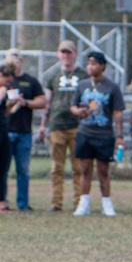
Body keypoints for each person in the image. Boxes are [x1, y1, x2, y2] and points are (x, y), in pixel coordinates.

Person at [72, 51, 124, 217]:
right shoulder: (82, 85)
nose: (90, 67)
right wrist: (78, 111)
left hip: (104, 134)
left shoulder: (112, 87)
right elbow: (72, 106)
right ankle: (83, 203)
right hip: (85, 132)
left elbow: (117, 113)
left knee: (103, 170)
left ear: (102, 66)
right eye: (88, 63)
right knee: (85, 169)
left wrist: (120, 135)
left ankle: (106, 203)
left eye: (93, 64)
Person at [38, 40, 86, 212]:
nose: (66, 56)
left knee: (78, 167)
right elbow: (48, 103)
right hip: (57, 125)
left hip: (77, 126)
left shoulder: (83, 75)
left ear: (74, 54)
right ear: (58, 54)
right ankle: (56, 202)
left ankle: (79, 201)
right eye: (63, 52)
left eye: (69, 52)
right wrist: (43, 125)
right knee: (57, 167)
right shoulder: (52, 75)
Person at [3, 50, 45, 212]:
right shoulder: (4, 80)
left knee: (23, 170)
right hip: (5, 131)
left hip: (24, 132)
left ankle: (23, 204)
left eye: (16, 60)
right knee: (3, 169)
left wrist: (25, 102)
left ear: (21, 61)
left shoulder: (30, 81)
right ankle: (3, 202)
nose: (13, 63)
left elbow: (42, 101)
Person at [0, 62, 14, 213]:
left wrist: (10, 106)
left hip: (3, 130)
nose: (8, 84)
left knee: (3, 167)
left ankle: (2, 202)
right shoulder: (2, 90)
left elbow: (5, 115)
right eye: (7, 80)